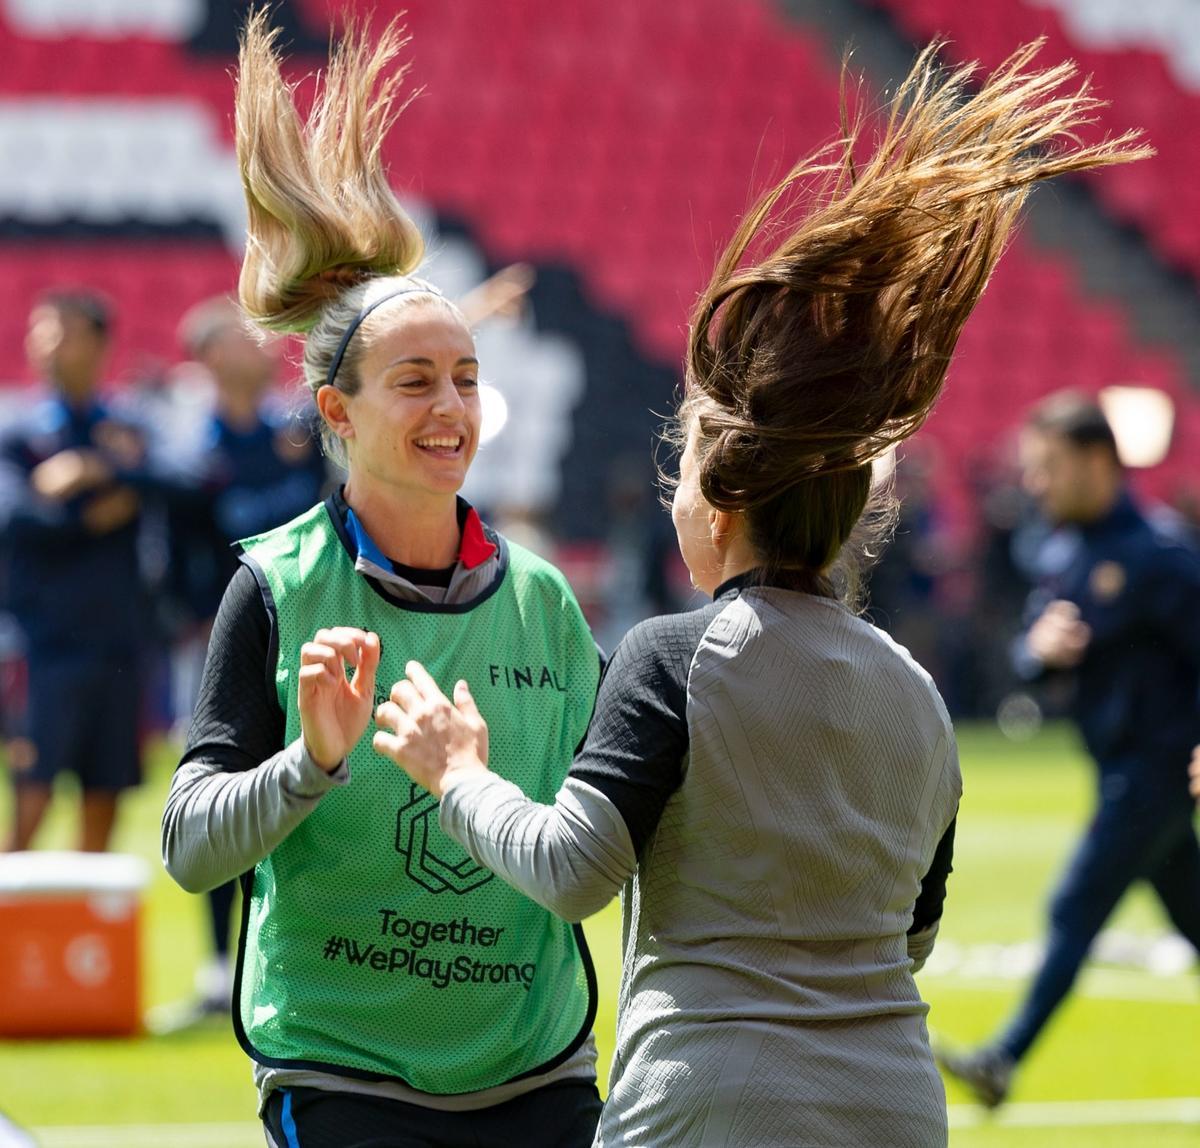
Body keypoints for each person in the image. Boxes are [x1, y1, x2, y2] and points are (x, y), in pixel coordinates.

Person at [372, 43, 1145, 1148]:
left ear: (721, 505)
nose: (671, 492)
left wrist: (458, 773)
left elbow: (570, 871)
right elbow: (910, 936)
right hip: (894, 1107)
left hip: (704, 1105)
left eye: (680, 469)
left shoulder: (676, 655)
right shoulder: (918, 689)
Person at [161, 14, 603, 1147]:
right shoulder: (275, 585)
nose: (451, 409)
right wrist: (309, 761)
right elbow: (191, 847)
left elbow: (619, 830)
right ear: (336, 409)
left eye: (464, 377)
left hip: (536, 1067)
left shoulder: (544, 600)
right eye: (415, 381)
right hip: (343, 1071)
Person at [937, 391, 1200, 1107]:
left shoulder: (1161, 553)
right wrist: (1039, 653)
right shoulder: (1060, 549)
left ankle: (1004, 1057)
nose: (1035, 484)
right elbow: (1034, 649)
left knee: (1074, 906)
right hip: (1115, 763)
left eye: (1047, 467)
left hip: (1158, 769)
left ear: (1096, 462)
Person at [153, 297, 328, 1031]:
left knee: (307, 792)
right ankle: (217, 968)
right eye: (237, 336)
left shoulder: (299, 434)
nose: (259, 343)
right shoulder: (190, 455)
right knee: (226, 789)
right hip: (223, 639)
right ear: (207, 357)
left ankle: (296, 956)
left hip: (308, 629)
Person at [0, 291, 152, 853]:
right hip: (44, 647)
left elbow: (176, 483)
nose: (44, 345)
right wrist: (97, 510)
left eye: (58, 331)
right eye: (38, 332)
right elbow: (15, 516)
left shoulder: (126, 429)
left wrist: (92, 468)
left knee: (103, 801)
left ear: (97, 342)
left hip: (116, 644)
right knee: (31, 801)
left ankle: (85, 938)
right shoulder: (18, 431)